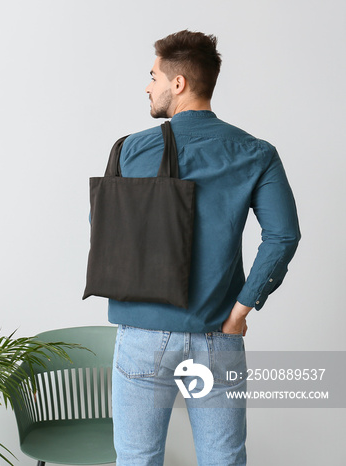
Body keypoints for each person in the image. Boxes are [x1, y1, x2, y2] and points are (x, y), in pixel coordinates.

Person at [109, 30, 300, 465]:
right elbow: (284, 236)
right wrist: (240, 311)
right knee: (224, 459)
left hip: (141, 332)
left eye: (153, 75)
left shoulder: (131, 149)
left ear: (178, 84)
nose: (148, 85)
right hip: (217, 331)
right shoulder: (256, 152)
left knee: (136, 459)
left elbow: (105, 231)